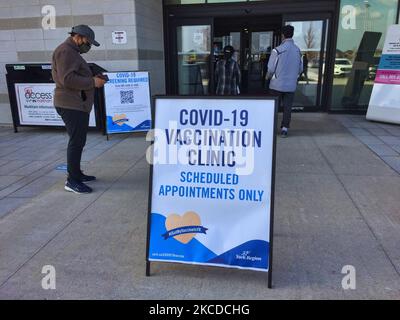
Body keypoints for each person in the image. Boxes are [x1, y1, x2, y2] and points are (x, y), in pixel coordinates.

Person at [52, 25, 106, 194]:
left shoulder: (72, 52)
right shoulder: (66, 51)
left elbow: (74, 75)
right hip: (70, 104)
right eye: (88, 42)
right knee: (76, 142)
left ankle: (77, 174)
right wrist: (92, 82)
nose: (88, 46)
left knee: (79, 141)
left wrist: (92, 76)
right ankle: (72, 181)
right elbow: (67, 79)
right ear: (79, 37)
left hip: (76, 104)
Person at [267, 25, 302, 138]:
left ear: (282, 35)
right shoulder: (298, 50)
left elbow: (271, 69)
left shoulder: (277, 50)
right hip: (291, 85)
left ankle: (272, 129)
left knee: (274, 108)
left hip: (276, 84)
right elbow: (301, 69)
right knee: (287, 108)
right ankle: (284, 129)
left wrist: (267, 77)